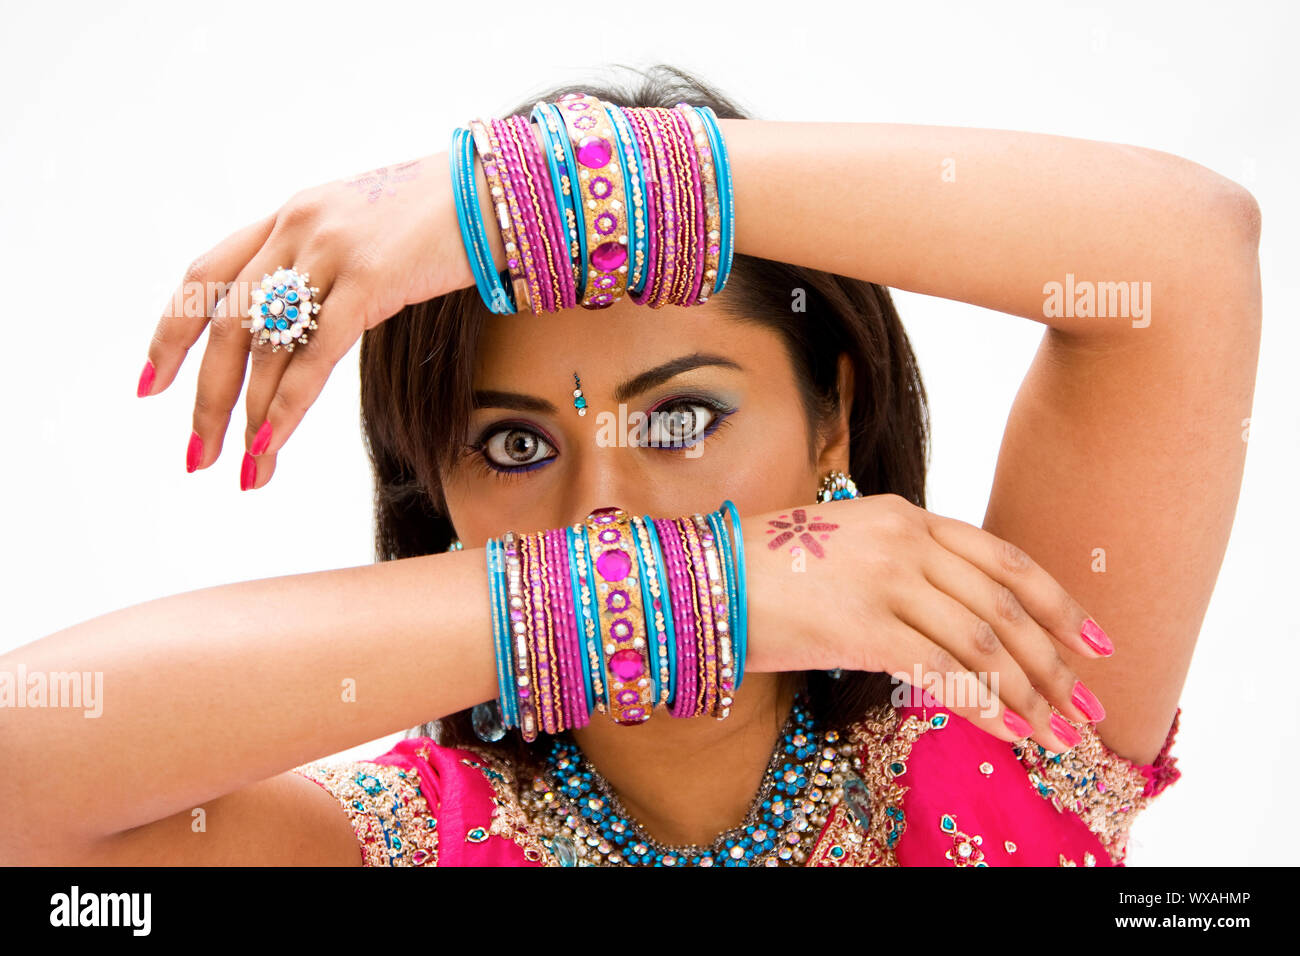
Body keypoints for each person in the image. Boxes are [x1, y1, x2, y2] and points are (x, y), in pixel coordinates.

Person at [0, 65, 1260, 866]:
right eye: (514, 443)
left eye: (679, 418)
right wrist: (692, 598)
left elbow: (1186, 256)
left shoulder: (1007, 741)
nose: (603, 502)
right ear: (436, 494)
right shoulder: (404, 846)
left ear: (835, 417)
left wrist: (520, 194)